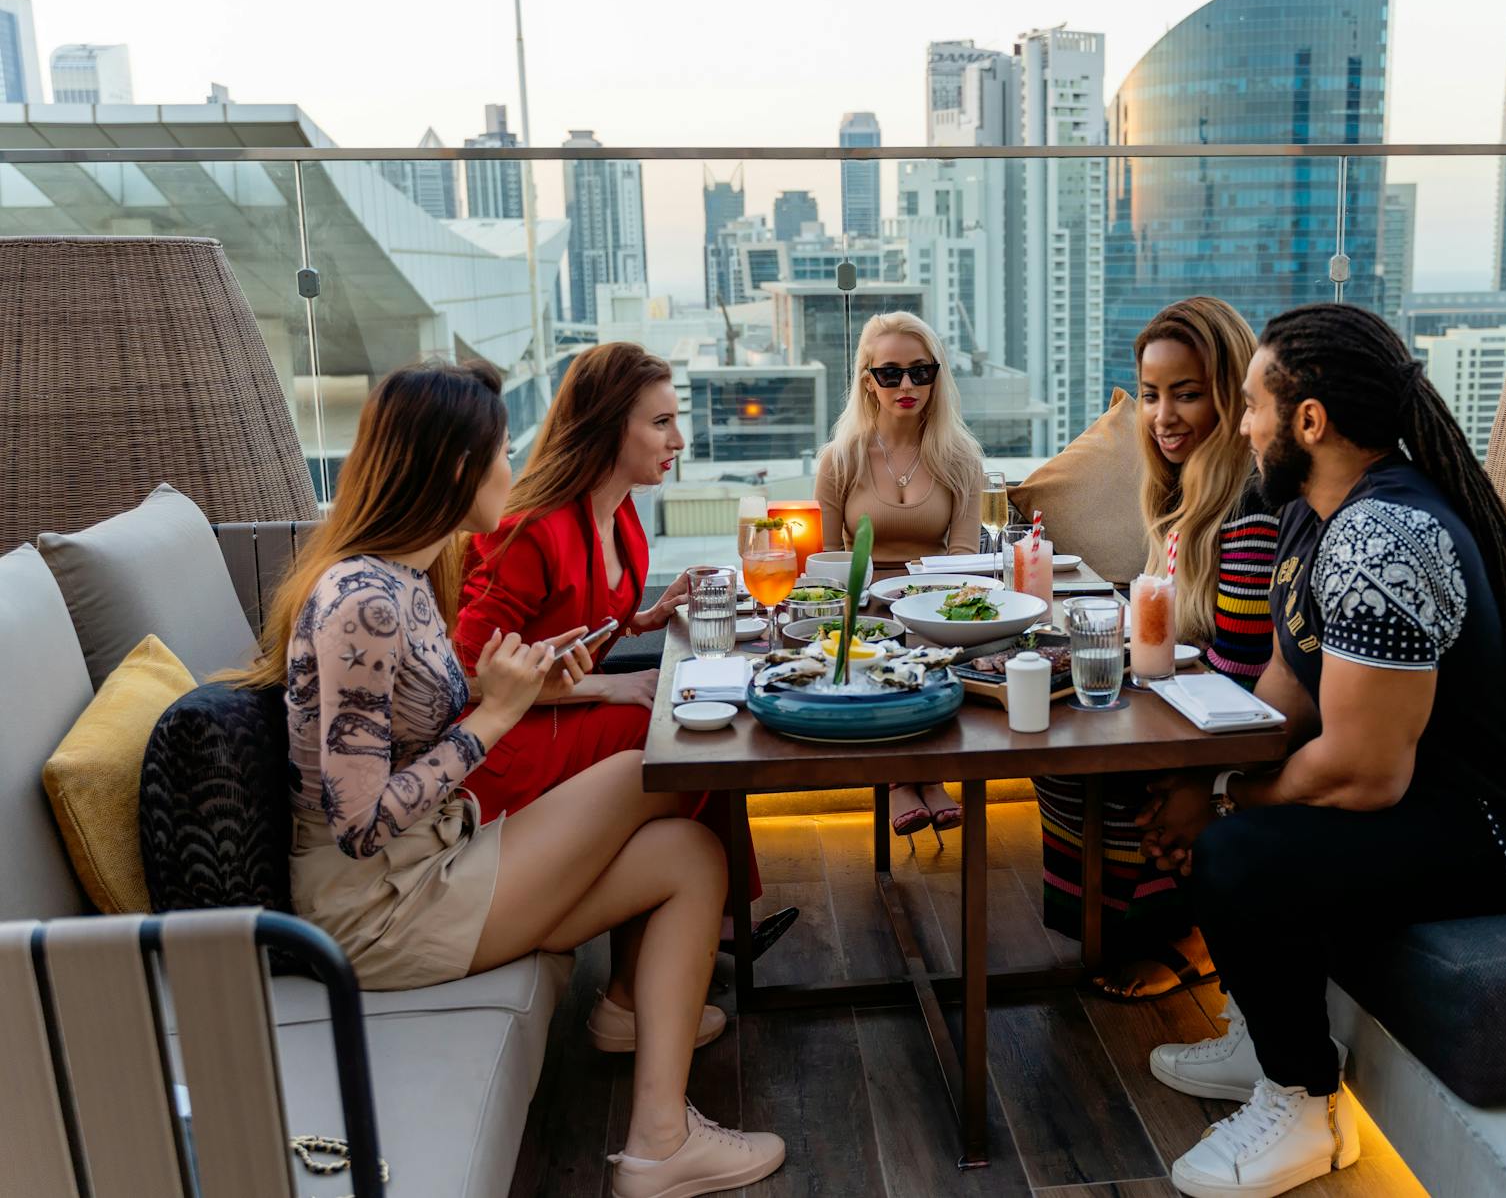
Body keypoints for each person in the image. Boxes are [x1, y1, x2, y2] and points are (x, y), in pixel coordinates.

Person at [247, 361, 784, 1197]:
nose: (513, 466)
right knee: (674, 759)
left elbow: (430, 720)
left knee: (686, 854)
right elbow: (357, 824)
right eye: (499, 450)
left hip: (441, 855)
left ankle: (659, 1141)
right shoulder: (367, 603)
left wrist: (532, 683)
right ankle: (654, 1090)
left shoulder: (410, 576)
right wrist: (494, 717)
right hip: (381, 908)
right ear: (455, 465)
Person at [1136, 304, 1506, 1198]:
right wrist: (1209, 774)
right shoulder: (1310, 514)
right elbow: (1285, 683)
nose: (1239, 426)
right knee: (1220, 827)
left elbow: (1363, 771)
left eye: (1251, 406)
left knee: (1236, 854)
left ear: (1309, 421)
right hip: (1421, 797)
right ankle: (1258, 1039)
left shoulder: (1382, 536)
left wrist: (1228, 804)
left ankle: (1306, 1104)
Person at [454, 342, 796, 965]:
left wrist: (650, 616)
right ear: (611, 426)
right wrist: (605, 687)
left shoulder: (621, 517)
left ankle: (709, 923)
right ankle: (700, 928)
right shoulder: (532, 528)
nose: (679, 441)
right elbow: (467, 675)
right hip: (506, 748)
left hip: (554, 718)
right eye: (661, 423)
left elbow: (577, 623)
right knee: (673, 733)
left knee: (696, 715)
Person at [1032, 297, 1280, 1001]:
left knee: (1096, 760)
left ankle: (1192, 931)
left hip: (1230, 726)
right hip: (1190, 702)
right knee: (1059, 747)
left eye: (1187, 394)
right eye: (1150, 395)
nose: (1163, 415)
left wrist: (1196, 779)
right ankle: (1131, 923)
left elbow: (1240, 669)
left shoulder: (1247, 503)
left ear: (1231, 396)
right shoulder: (1181, 493)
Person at [814, 310, 986, 837]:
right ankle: (906, 782)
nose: (907, 385)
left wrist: (921, 605)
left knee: (922, 644)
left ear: (937, 376)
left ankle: (921, 778)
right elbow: (829, 564)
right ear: (869, 382)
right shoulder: (840, 460)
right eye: (890, 373)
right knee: (885, 649)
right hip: (863, 609)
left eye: (921, 371)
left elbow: (962, 556)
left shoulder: (960, 459)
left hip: (937, 604)